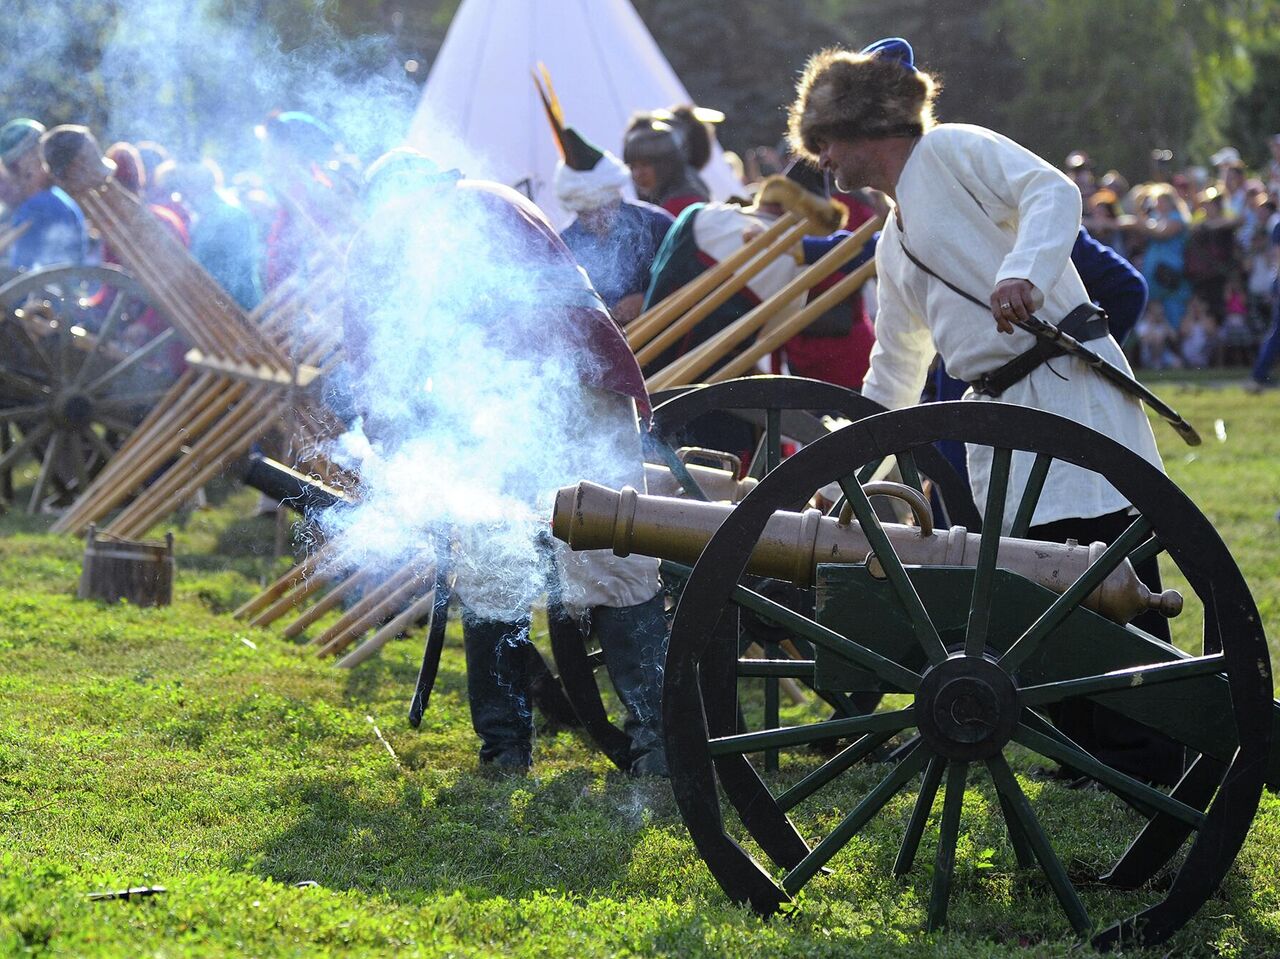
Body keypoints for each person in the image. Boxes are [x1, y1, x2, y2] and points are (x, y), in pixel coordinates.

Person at [789, 38, 1182, 785]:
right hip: (1002, 426)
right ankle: (1095, 756)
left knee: (1104, 564)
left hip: (1067, 393)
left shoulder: (957, 150)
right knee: (1035, 594)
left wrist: (1024, 274)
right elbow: (895, 369)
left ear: (868, 126)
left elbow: (1053, 194)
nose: (824, 160)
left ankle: (1155, 756)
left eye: (828, 141)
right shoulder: (893, 241)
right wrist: (846, 464)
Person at [343, 149, 670, 776]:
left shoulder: (427, 229)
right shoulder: (486, 199)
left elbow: (380, 356)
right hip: (528, 394)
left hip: (538, 392)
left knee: (545, 562)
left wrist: (402, 436)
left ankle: (513, 749)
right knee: (590, 557)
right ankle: (645, 744)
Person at [553, 123, 673, 325]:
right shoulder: (566, 243)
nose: (594, 218)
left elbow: (685, 280)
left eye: (600, 208)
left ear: (615, 197)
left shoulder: (657, 225)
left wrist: (647, 299)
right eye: (585, 212)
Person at [0, 118, 87, 270]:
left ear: (22, 164)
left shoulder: (37, 207)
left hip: (46, 292)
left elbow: (18, 278)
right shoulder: (57, 199)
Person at [622, 114, 709, 216]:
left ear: (665, 164)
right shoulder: (660, 199)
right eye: (633, 167)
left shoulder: (682, 204)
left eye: (645, 164)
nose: (638, 173)